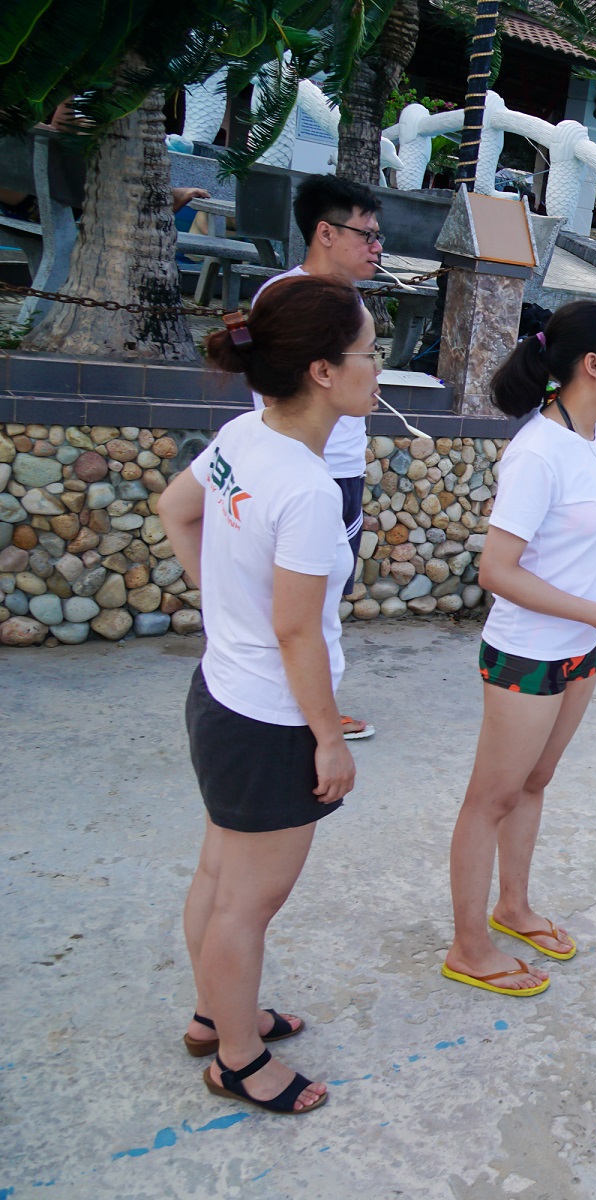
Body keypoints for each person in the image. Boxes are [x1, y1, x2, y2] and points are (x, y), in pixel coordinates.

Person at [159, 277, 381, 1114]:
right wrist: (328, 738)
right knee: (246, 904)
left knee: (220, 877)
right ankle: (239, 1058)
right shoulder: (308, 489)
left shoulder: (243, 435)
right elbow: (296, 632)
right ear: (323, 371)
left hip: (221, 695)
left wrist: (224, 608)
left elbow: (175, 509)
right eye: (369, 353)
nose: (378, 368)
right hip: (268, 721)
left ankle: (215, 1015)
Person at [442, 301, 596, 997]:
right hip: (529, 652)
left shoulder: (591, 436)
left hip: (579, 647)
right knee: (491, 798)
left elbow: (580, 524)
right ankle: (469, 946)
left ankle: (513, 907)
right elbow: (497, 571)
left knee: (535, 781)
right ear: (593, 365)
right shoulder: (537, 451)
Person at [247, 174, 388, 742]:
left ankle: (305, 704)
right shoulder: (285, 296)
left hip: (340, 471)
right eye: (366, 235)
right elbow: (270, 389)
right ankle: (308, 716)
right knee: (305, 601)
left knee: (323, 597)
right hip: (304, 472)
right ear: (325, 233)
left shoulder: (349, 301)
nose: (376, 247)